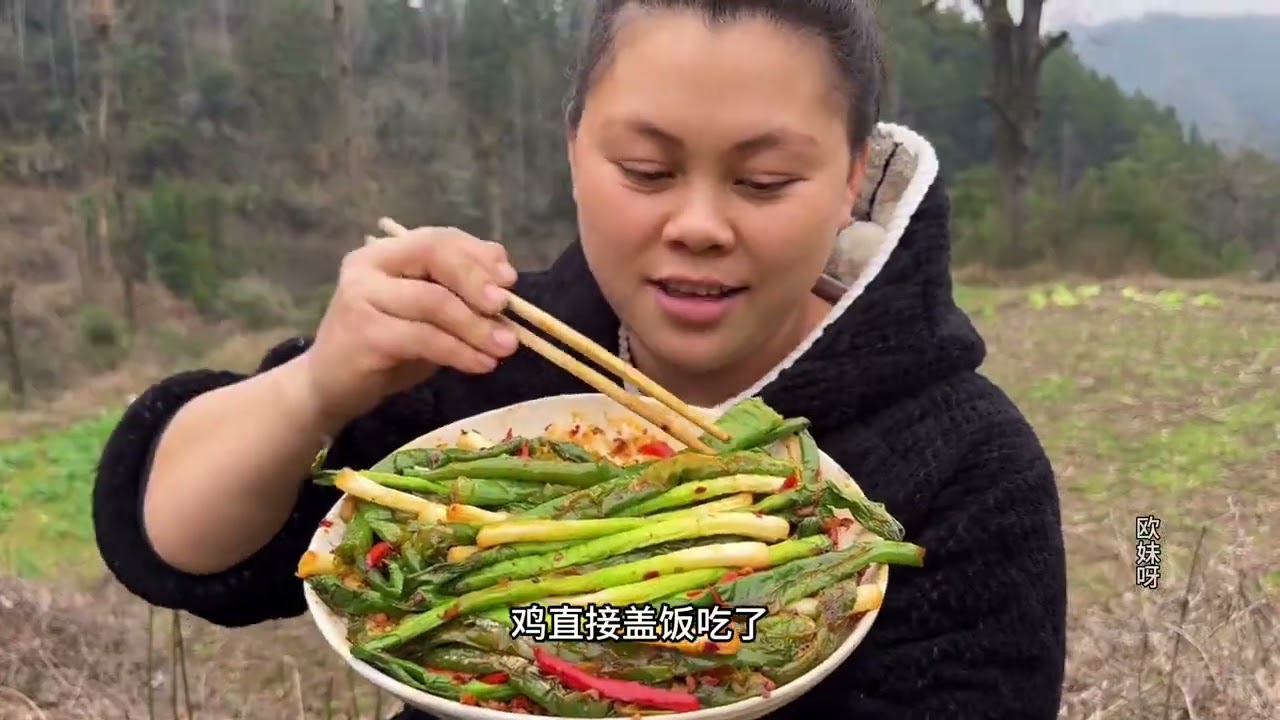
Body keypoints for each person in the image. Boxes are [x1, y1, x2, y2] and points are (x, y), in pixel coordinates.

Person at [92, 1, 1068, 718]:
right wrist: (312, 388)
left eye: (762, 180)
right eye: (644, 171)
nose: (695, 226)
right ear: (572, 152)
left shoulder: (962, 465)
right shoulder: (482, 355)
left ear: (851, 179)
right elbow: (173, 546)